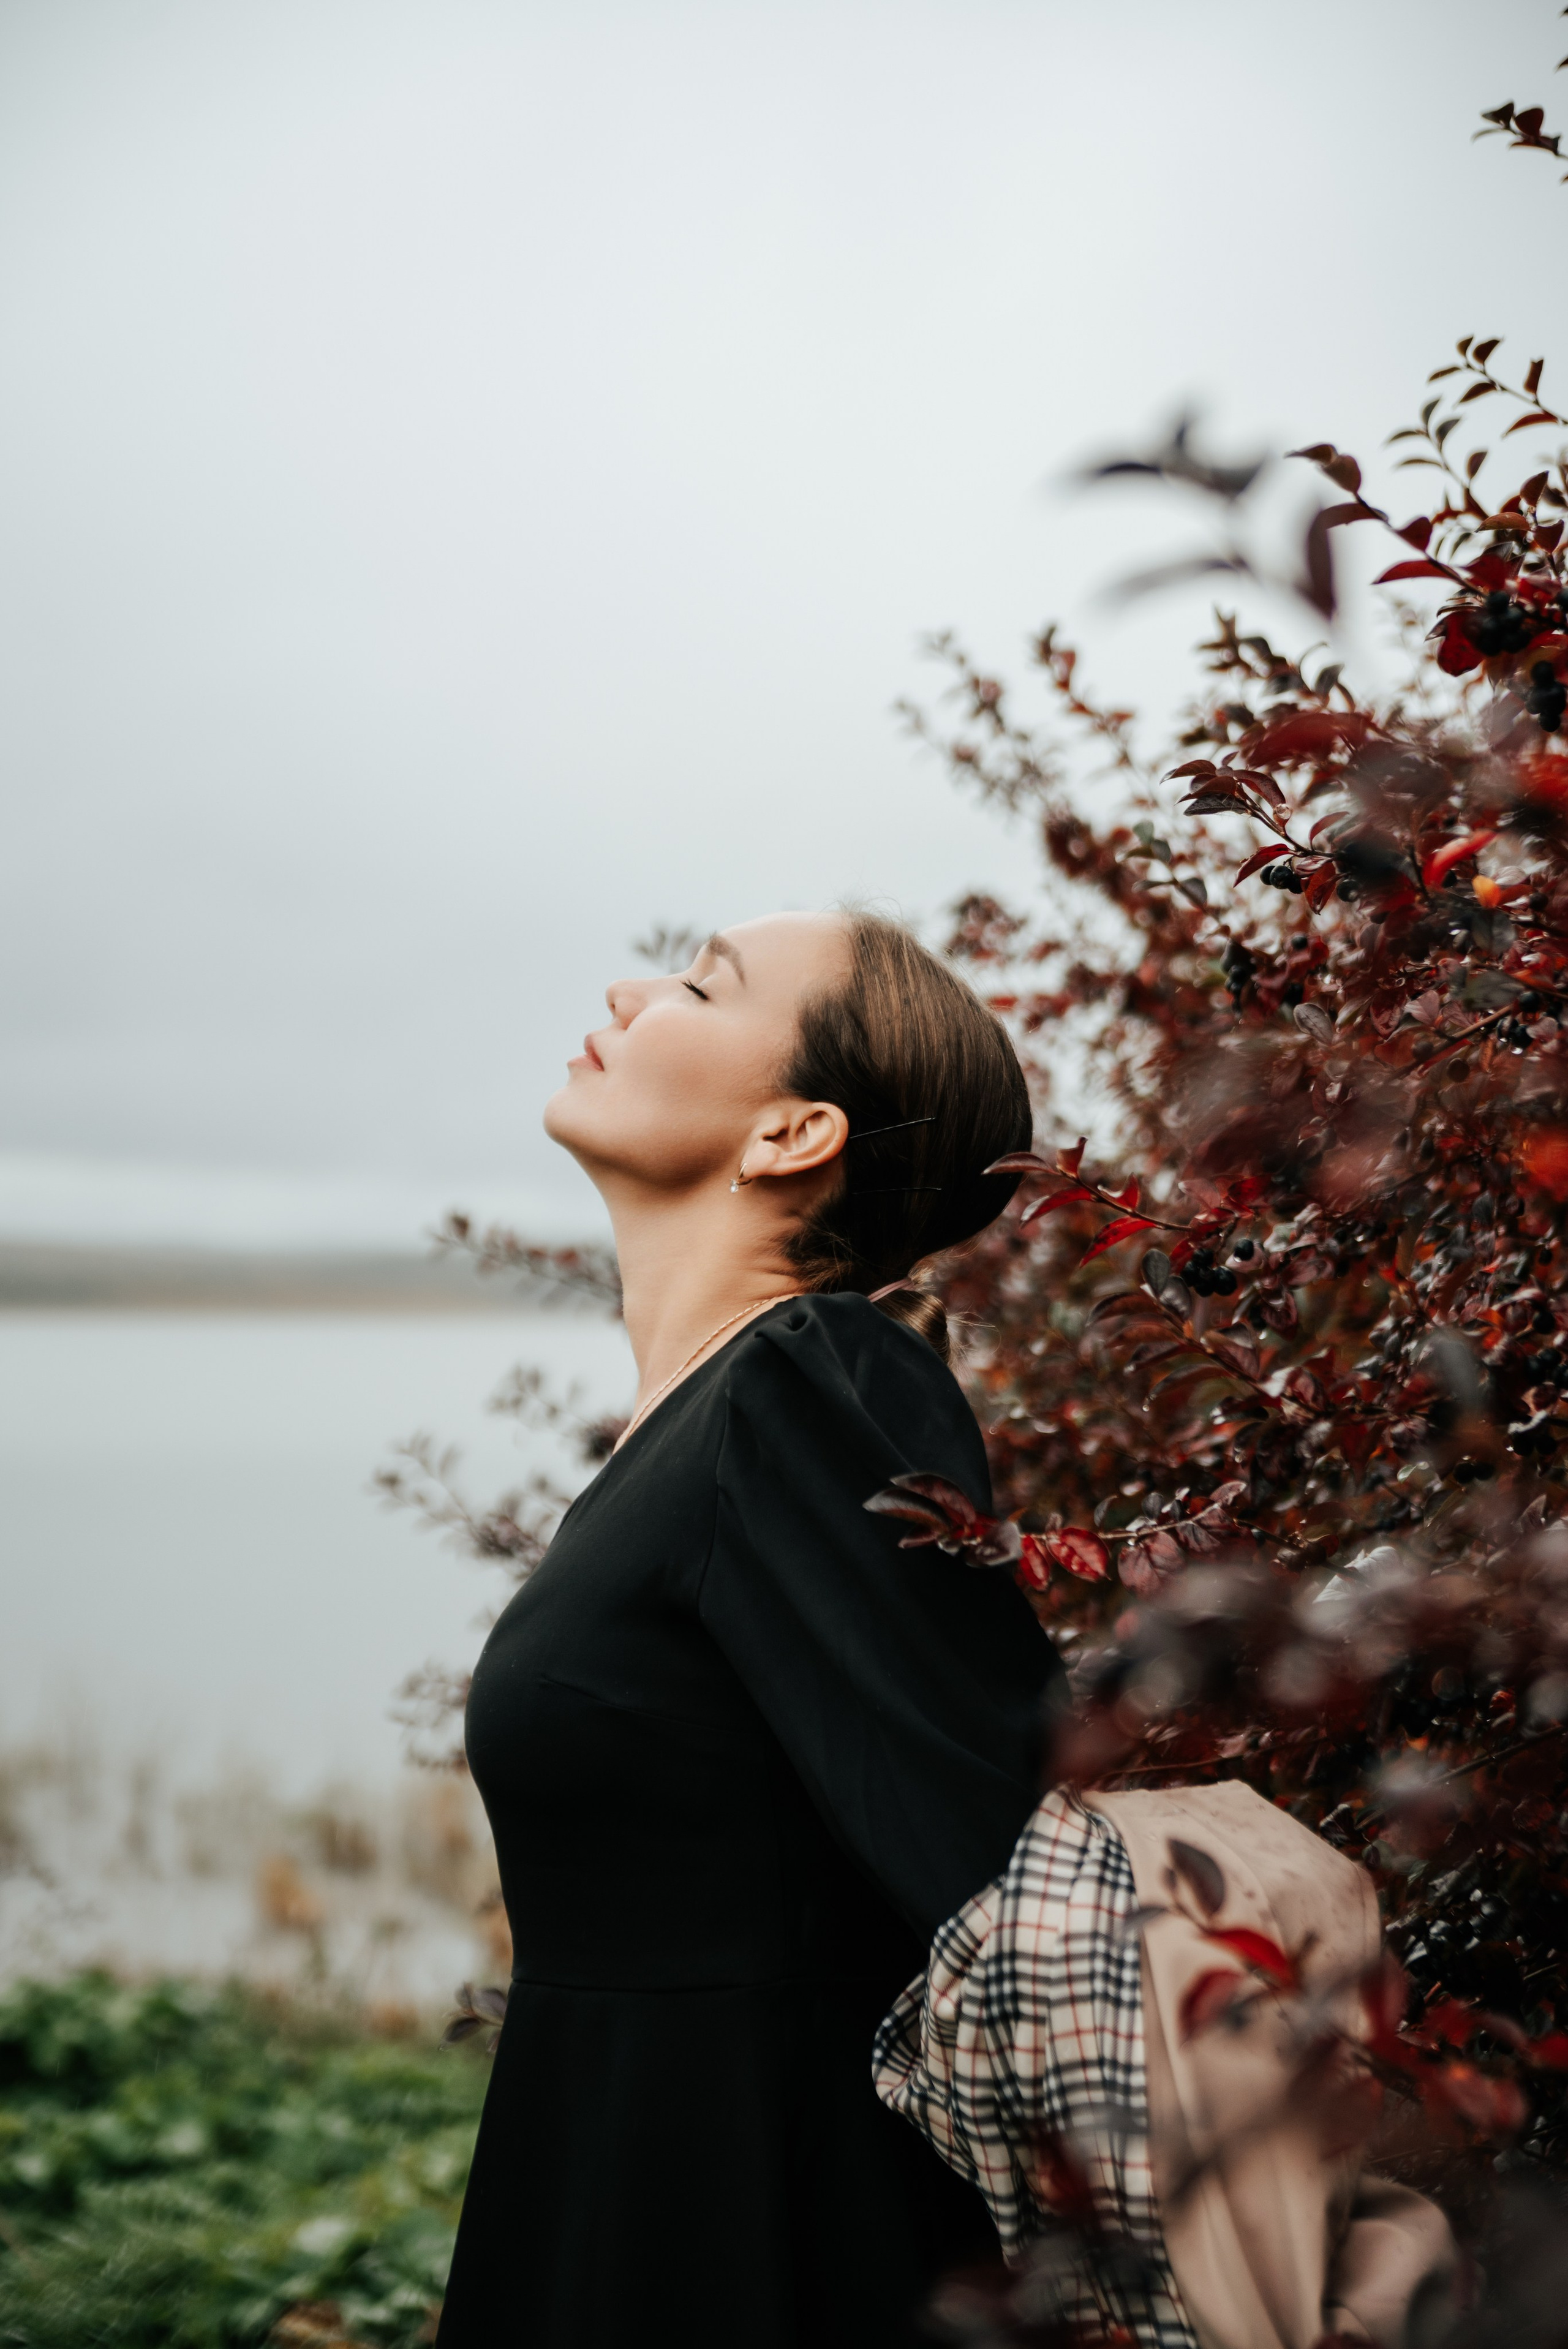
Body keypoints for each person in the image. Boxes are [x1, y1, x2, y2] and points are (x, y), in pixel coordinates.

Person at [435, 908, 1057, 2349]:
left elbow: (990, 1852)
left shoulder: (807, 1378)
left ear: (792, 1135)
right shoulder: (693, 1426)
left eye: (702, 981)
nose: (626, 986)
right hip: (616, 2184)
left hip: (757, 2237)